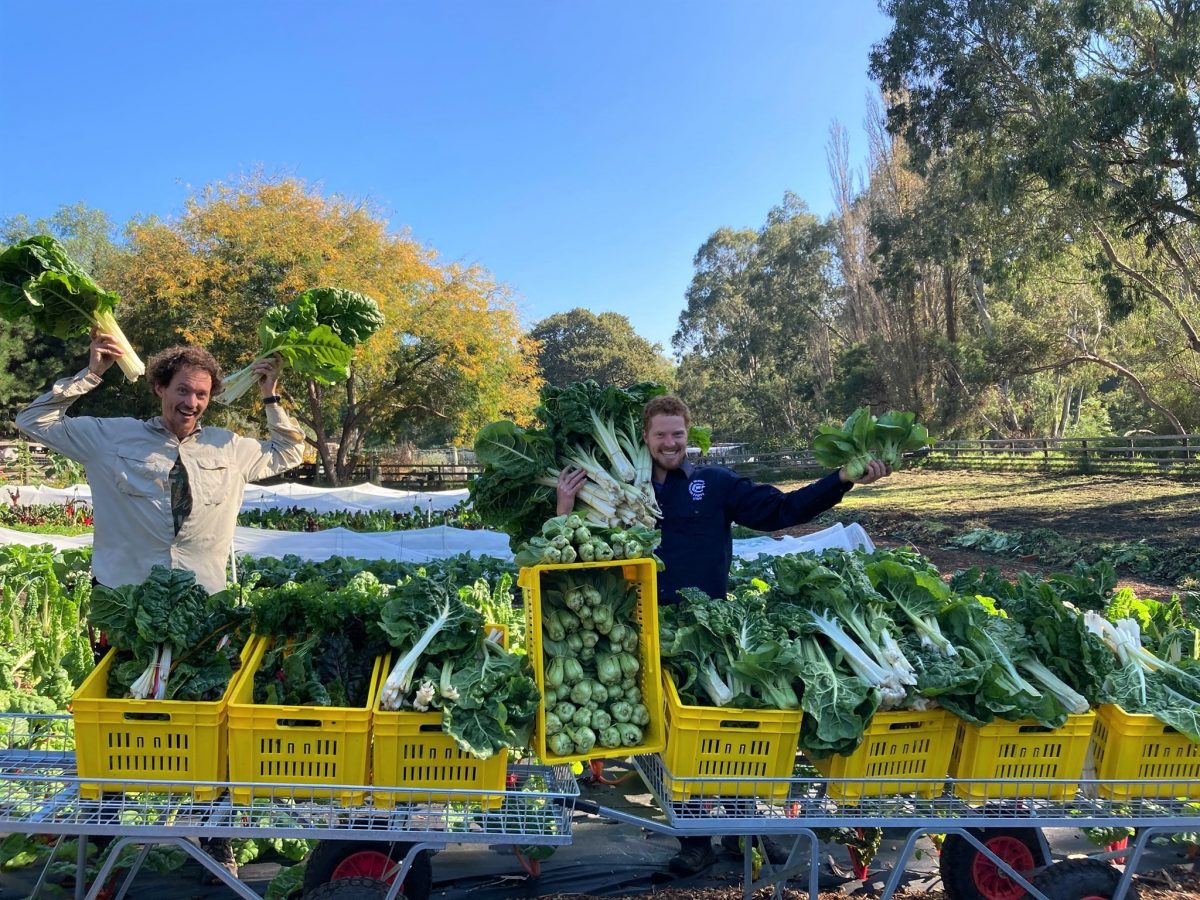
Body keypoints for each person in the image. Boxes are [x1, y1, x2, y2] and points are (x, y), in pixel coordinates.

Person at [558, 394, 890, 876]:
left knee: (733, 730)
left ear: (687, 436)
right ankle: (694, 841)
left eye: (677, 434)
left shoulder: (715, 484)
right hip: (649, 630)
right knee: (677, 742)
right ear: (644, 439)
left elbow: (781, 510)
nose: (669, 443)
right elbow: (573, 553)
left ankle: (744, 828)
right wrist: (566, 504)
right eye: (660, 435)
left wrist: (841, 480)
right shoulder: (615, 490)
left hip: (711, 628)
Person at [16, 331, 307, 878]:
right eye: (182, 391)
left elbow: (290, 450)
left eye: (201, 394)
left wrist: (270, 395)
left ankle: (213, 835)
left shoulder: (230, 447)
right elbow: (32, 422)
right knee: (114, 712)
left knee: (212, 715)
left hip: (204, 607)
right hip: (123, 602)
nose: (191, 403)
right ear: (158, 387)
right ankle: (104, 825)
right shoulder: (110, 437)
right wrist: (91, 373)